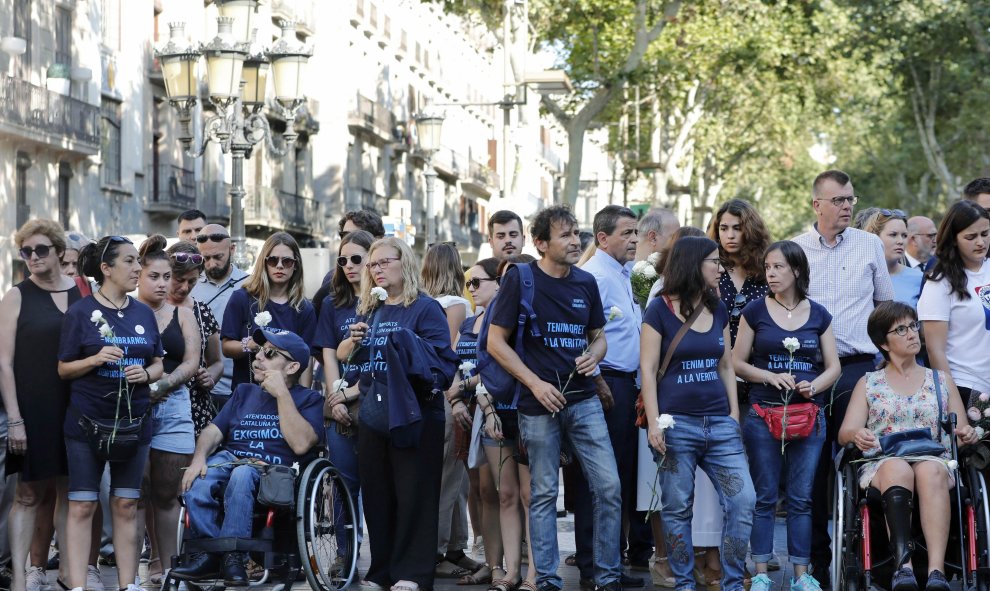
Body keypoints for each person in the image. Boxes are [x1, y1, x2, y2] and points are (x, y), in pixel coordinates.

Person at [487, 205, 622, 591]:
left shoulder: (585, 282)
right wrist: (535, 384)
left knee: (609, 487)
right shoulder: (522, 279)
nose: (575, 240)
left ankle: (607, 577)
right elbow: (496, 343)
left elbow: (598, 336)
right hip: (538, 404)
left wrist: (594, 354)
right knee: (544, 493)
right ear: (541, 243)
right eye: (565, 235)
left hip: (583, 400)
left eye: (576, 232)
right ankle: (546, 579)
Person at [792, 169, 894, 584]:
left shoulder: (870, 245)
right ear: (817, 204)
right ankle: (815, 564)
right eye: (838, 200)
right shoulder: (796, 249)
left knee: (866, 458)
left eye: (851, 199)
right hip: (807, 371)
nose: (848, 206)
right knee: (811, 472)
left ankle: (872, 556)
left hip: (857, 368)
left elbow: (885, 308)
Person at [639, 235, 755, 591]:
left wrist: (734, 413)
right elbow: (647, 369)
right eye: (713, 262)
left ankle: (733, 581)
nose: (719, 268)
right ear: (693, 264)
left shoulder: (717, 306)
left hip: (719, 422)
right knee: (677, 509)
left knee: (743, 501)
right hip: (676, 425)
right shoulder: (659, 309)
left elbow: (725, 364)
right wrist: (657, 424)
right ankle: (685, 583)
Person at [839, 302, 979, 591]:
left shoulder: (941, 381)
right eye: (901, 329)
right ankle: (903, 569)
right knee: (897, 468)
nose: (912, 333)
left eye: (913, 326)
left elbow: (959, 431)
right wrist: (858, 434)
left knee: (929, 470)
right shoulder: (870, 383)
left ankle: (936, 572)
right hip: (884, 462)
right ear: (882, 342)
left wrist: (967, 434)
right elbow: (845, 433)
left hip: (934, 458)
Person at [171, 329, 325, 585]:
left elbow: (300, 445)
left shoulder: (308, 399)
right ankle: (211, 556)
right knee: (200, 480)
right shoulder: (244, 392)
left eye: (269, 353)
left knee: (242, 474)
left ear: (293, 367)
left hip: (271, 469)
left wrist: (282, 395)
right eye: (259, 350)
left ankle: (234, 557)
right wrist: (198, 459)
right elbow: (212, 432)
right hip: (231, 457)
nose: (258, 358)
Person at [348, 237, 459, 591]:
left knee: (415, 495)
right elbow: (357, 366)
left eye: (384, 262)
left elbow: (444, 364)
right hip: (374, 413)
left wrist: (408, 350)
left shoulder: (425, 308)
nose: (377, 269)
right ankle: (382, 571)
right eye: (372, 265)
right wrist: (355, 344)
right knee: (378, 496)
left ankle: (413, 572)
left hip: (416, 413)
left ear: (404, 263)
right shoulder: (370, 309)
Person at [57, 236, 165, 591]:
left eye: (138, 262)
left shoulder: (143, 313)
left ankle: (127, 585)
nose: (138, 269)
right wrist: (94, 359)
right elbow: (63, 369)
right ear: (106, 268)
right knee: (83, 507)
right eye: (130, 261)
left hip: (134, 423)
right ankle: (77, 586)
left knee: (124, 504)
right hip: (87, 424)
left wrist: (146, 374)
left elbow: (158, 363)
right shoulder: (80, 313)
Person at [732, 241, 841, 591]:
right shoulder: (754, 311)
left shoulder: (820, 314)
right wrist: (768, 376)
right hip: (764, 413)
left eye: (778, 267)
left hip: (808, 415)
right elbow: (735, 361)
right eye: (767, 267)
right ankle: (761, 571)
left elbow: (833, 365)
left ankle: (801, 575)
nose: (771, 274)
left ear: (796, 270)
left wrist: (816, 384)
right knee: (764, 495)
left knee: (802, 498)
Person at [0, 221, 81, 591]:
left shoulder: (84, 292)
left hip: (76, 406)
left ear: (60, 252)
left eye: (41, 250)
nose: (33, 257)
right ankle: (19, 577)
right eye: (26, 251)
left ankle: (67, 573)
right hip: (32, 408)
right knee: (28, 494)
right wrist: (14, 420)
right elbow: (3, 363)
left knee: (70, 491)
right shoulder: (16, 295)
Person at [574, 205, 647, 588]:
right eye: (627, 233)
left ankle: (608, 566)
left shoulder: (628, 274)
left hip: (629, 383)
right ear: (602, 238)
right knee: (599, 479)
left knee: (617, 477)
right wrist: (599, 380)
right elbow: (585, 335)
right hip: (607, 385)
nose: (635, 240)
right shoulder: (593, 277)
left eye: (637, 232)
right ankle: (593, 567)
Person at [134, 236, 202, 586]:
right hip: (133, 403)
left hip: (174, 405)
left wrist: (163, 384)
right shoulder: (127, 310)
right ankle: (152, 562)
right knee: (138, 490)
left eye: (167, 278)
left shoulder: (184, 314)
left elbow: (193, 360)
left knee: (167, 491)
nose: (164, 284)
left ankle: (170, 567)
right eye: (157, 277)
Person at [313, 229, 375, 565]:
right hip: (341, 404)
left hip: (374, 401)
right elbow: (328, 354)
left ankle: (382, 558)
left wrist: (350, 393)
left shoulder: (382, 300)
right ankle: (343, 556)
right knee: (341, 484)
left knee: (377, 484)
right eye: (343, 260)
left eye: (356, 259)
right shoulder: (332, 303)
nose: (349, 266)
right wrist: (336, 396)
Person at [476, 254, 537, 591]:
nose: (506, 284)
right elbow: (483, 365)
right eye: (502, 278)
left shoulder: (538, 310)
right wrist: (487, 409)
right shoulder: (492, 315)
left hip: (531, 411)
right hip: (497, 413)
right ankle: (511, 572)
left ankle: (534, 573)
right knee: (507, 495)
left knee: (532, 496)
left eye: (513, 278)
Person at [221, 232, 315, 392]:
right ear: (264, 263)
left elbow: (306, 360)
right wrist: (248, 345)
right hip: (248, 393)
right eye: (273, 260)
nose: (279, 266)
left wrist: (303, 398)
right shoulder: (242, 298)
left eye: (286, 261)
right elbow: (226, 347)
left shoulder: (303, 308)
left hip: (287, 396)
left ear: (295, 265)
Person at [919, 200, 990, 401]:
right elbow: (935, 350)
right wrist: (952, 400)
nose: (980, 242)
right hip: (966, 387)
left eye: (985, 234)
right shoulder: (939, 283)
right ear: (954, 239)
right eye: (971, 236)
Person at [166, 240, 223, 438]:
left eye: (192, 281)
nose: (185, 287)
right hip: (160, 399)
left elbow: (216, 362)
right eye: (179, 279)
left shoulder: (202, 311)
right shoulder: (150, 308)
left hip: (195, 407)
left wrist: (210, 377)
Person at [190, 225, 249, 405]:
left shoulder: (249, 285)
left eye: (218, 257)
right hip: (201, 388)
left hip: (240, 386)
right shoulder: (190, 285)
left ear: (232, 250)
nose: (211, 264)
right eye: (205, 258)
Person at [860, 210, 924, 307]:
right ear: (875, 237)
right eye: (893, 235)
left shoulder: (919, 278)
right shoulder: (858, 276)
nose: (900, 241)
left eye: (904, 235)